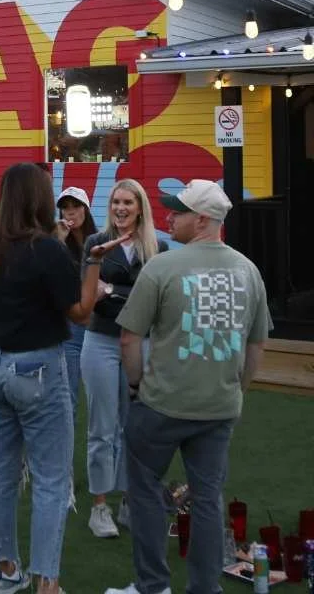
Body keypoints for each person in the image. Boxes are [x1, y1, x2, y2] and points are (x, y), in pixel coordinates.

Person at [104, 181, 271, 594]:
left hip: (161, 404)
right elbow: (257, 344)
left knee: (143, 493)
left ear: (200, 220)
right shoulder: (248, 271)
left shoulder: (162, 267)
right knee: (209, 499)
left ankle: (153, 586)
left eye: (176, 212)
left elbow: (128, 339)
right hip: (219, 407)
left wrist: (134, 388)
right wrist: (238, 389)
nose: (167, 217)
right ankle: (204, 588)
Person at [0, 163, 112, 594]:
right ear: (40, 199)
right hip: (36, 368)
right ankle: (46, 582)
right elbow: (81, 311)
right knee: (50, 480)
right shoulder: (45, 250)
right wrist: (91, 262)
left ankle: (6, 572)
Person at [80, 179, 167, 539]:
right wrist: (113, 294)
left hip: (141, 343)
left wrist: (113, 290)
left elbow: (155, 298)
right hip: (100, 340)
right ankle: (99, 506)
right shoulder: (96, 243)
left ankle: (133, 499)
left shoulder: (156, 247)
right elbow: (86, 293)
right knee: (102, 426)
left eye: (128, 202)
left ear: (140, 207)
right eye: (116, 201)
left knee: (137, 426)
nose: (121, 208)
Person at [54, 187, 97, 421]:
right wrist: (59, 239)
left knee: (101, 397)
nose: (70, 212)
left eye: (76, 206)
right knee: (66, 395)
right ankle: (60, 455)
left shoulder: (100, 241)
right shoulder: (56, 240)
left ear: (86, 209)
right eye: (65, 207)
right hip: (70, 325)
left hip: (97, 324)